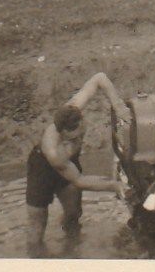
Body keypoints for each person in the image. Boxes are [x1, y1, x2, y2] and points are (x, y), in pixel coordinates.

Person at [25, 71, 129, 257]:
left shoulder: (73, 108)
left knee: (74, 214)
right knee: (37, 227)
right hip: (42, 170)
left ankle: (72, 253)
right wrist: (113, 185)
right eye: (74, 137)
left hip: (69, 164)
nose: (80, 137)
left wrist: (118, 105)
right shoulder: (54, 151)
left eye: (82, 131)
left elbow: (99, 78)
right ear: (62, 133)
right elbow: (80, 180)